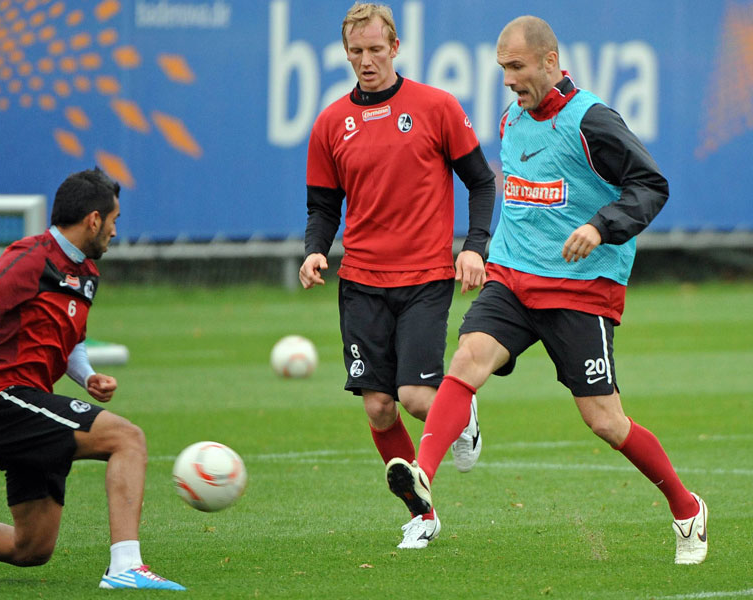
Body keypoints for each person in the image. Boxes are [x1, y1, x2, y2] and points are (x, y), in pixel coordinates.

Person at [385, 15, 708, 565]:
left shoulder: (593, 120)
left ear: (550, 62)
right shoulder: (513, 116)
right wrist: (489, 253)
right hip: (514, 279)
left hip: (581, 290)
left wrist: (600, 226)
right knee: (466, 361)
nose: (508, 79)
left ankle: (686, 509)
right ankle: (423, 475)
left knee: (604, 421)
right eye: (502, 69)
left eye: (516, 67)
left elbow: (651, 185)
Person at [299, 2, 497, 549]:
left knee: (413, 396)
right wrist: (316, 251)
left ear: (396, 48)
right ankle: (422, 513)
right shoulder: (329, 122)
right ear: (346, 53)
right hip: (361, 281)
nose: (366, 60)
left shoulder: (436, 107)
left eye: (375, 50)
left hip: (425, 278)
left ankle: (463, 405)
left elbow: (482, 184)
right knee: (378, 406)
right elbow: (322, 206)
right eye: (356, 52)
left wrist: (474, 247)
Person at [0, 168, 185, 590]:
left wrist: (88, 376)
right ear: (93, 220)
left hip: (26, 403)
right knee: (126, 439)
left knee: (32, 548)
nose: (116, 231)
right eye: (114, 220)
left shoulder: (86, 273)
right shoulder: (32, 257)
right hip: (1, 400)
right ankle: (126, 568)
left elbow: (69, 338)